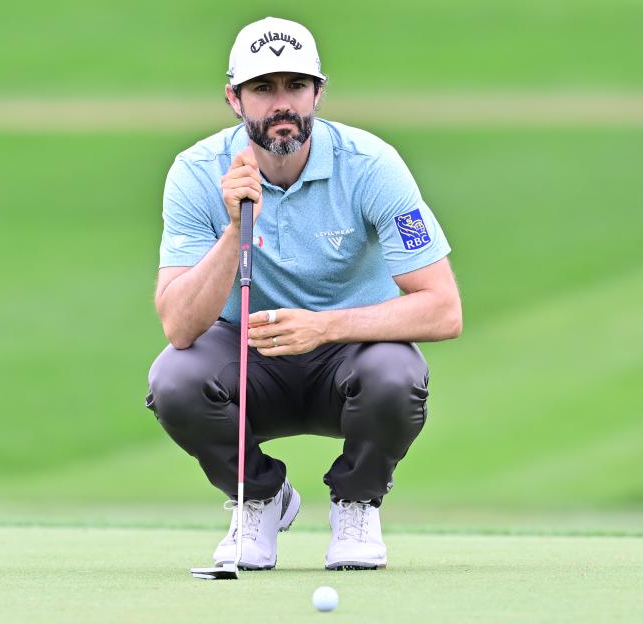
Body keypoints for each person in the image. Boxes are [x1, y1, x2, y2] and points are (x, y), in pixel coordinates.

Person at [145, 16, 462, 571]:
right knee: (174, 379)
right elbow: (178, 325)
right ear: (234, 99)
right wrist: (234, 232)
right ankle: (260, 498)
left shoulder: (370, 165)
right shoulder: (197, 172)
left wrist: (327, 327)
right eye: (262, 89)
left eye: (295, 86)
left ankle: (357, 503)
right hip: (250, 358)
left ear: (318, 91)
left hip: (348, 359)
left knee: (397, 374)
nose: (281, 103)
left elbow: (443, 308)